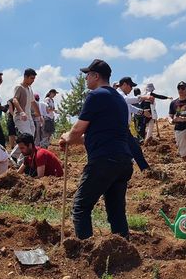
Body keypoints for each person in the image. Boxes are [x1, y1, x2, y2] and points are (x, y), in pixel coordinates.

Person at [60, 59, 133, 240]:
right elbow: (99, 136)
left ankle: (86, 254)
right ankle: (124, 251)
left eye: (87, 75)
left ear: (96, 76)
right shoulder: (119, 100)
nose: (85, 79)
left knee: (80, 207)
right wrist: (73, 140)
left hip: (104, 160)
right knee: (116, 211)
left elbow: (77, 130)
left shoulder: (96, 96)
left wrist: (67, 137)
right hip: (123, 160)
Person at [117, 76, 152, 171]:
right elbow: (127, 101)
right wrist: (143, 97)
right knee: (131, 149)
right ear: (124, 84)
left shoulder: (122, 96)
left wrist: (142, 112)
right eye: (130, 86)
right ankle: (144, 169)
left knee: (134, 148)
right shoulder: (118, 94)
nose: (131, 88)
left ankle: (145, 170)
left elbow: (129, 107)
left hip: (123, 128)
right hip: (118, 129)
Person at [12, 68, 42, 137]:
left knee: (30, 138)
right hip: (20, 117)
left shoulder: (30, 89)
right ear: (25, 77)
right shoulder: (19, 87)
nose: (33, 81)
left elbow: (33, 102)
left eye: (34, 79)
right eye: (31, 78)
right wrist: (22, 112)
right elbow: (14, 100)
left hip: (29, 117)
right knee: (28, 137)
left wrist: (40, 116)